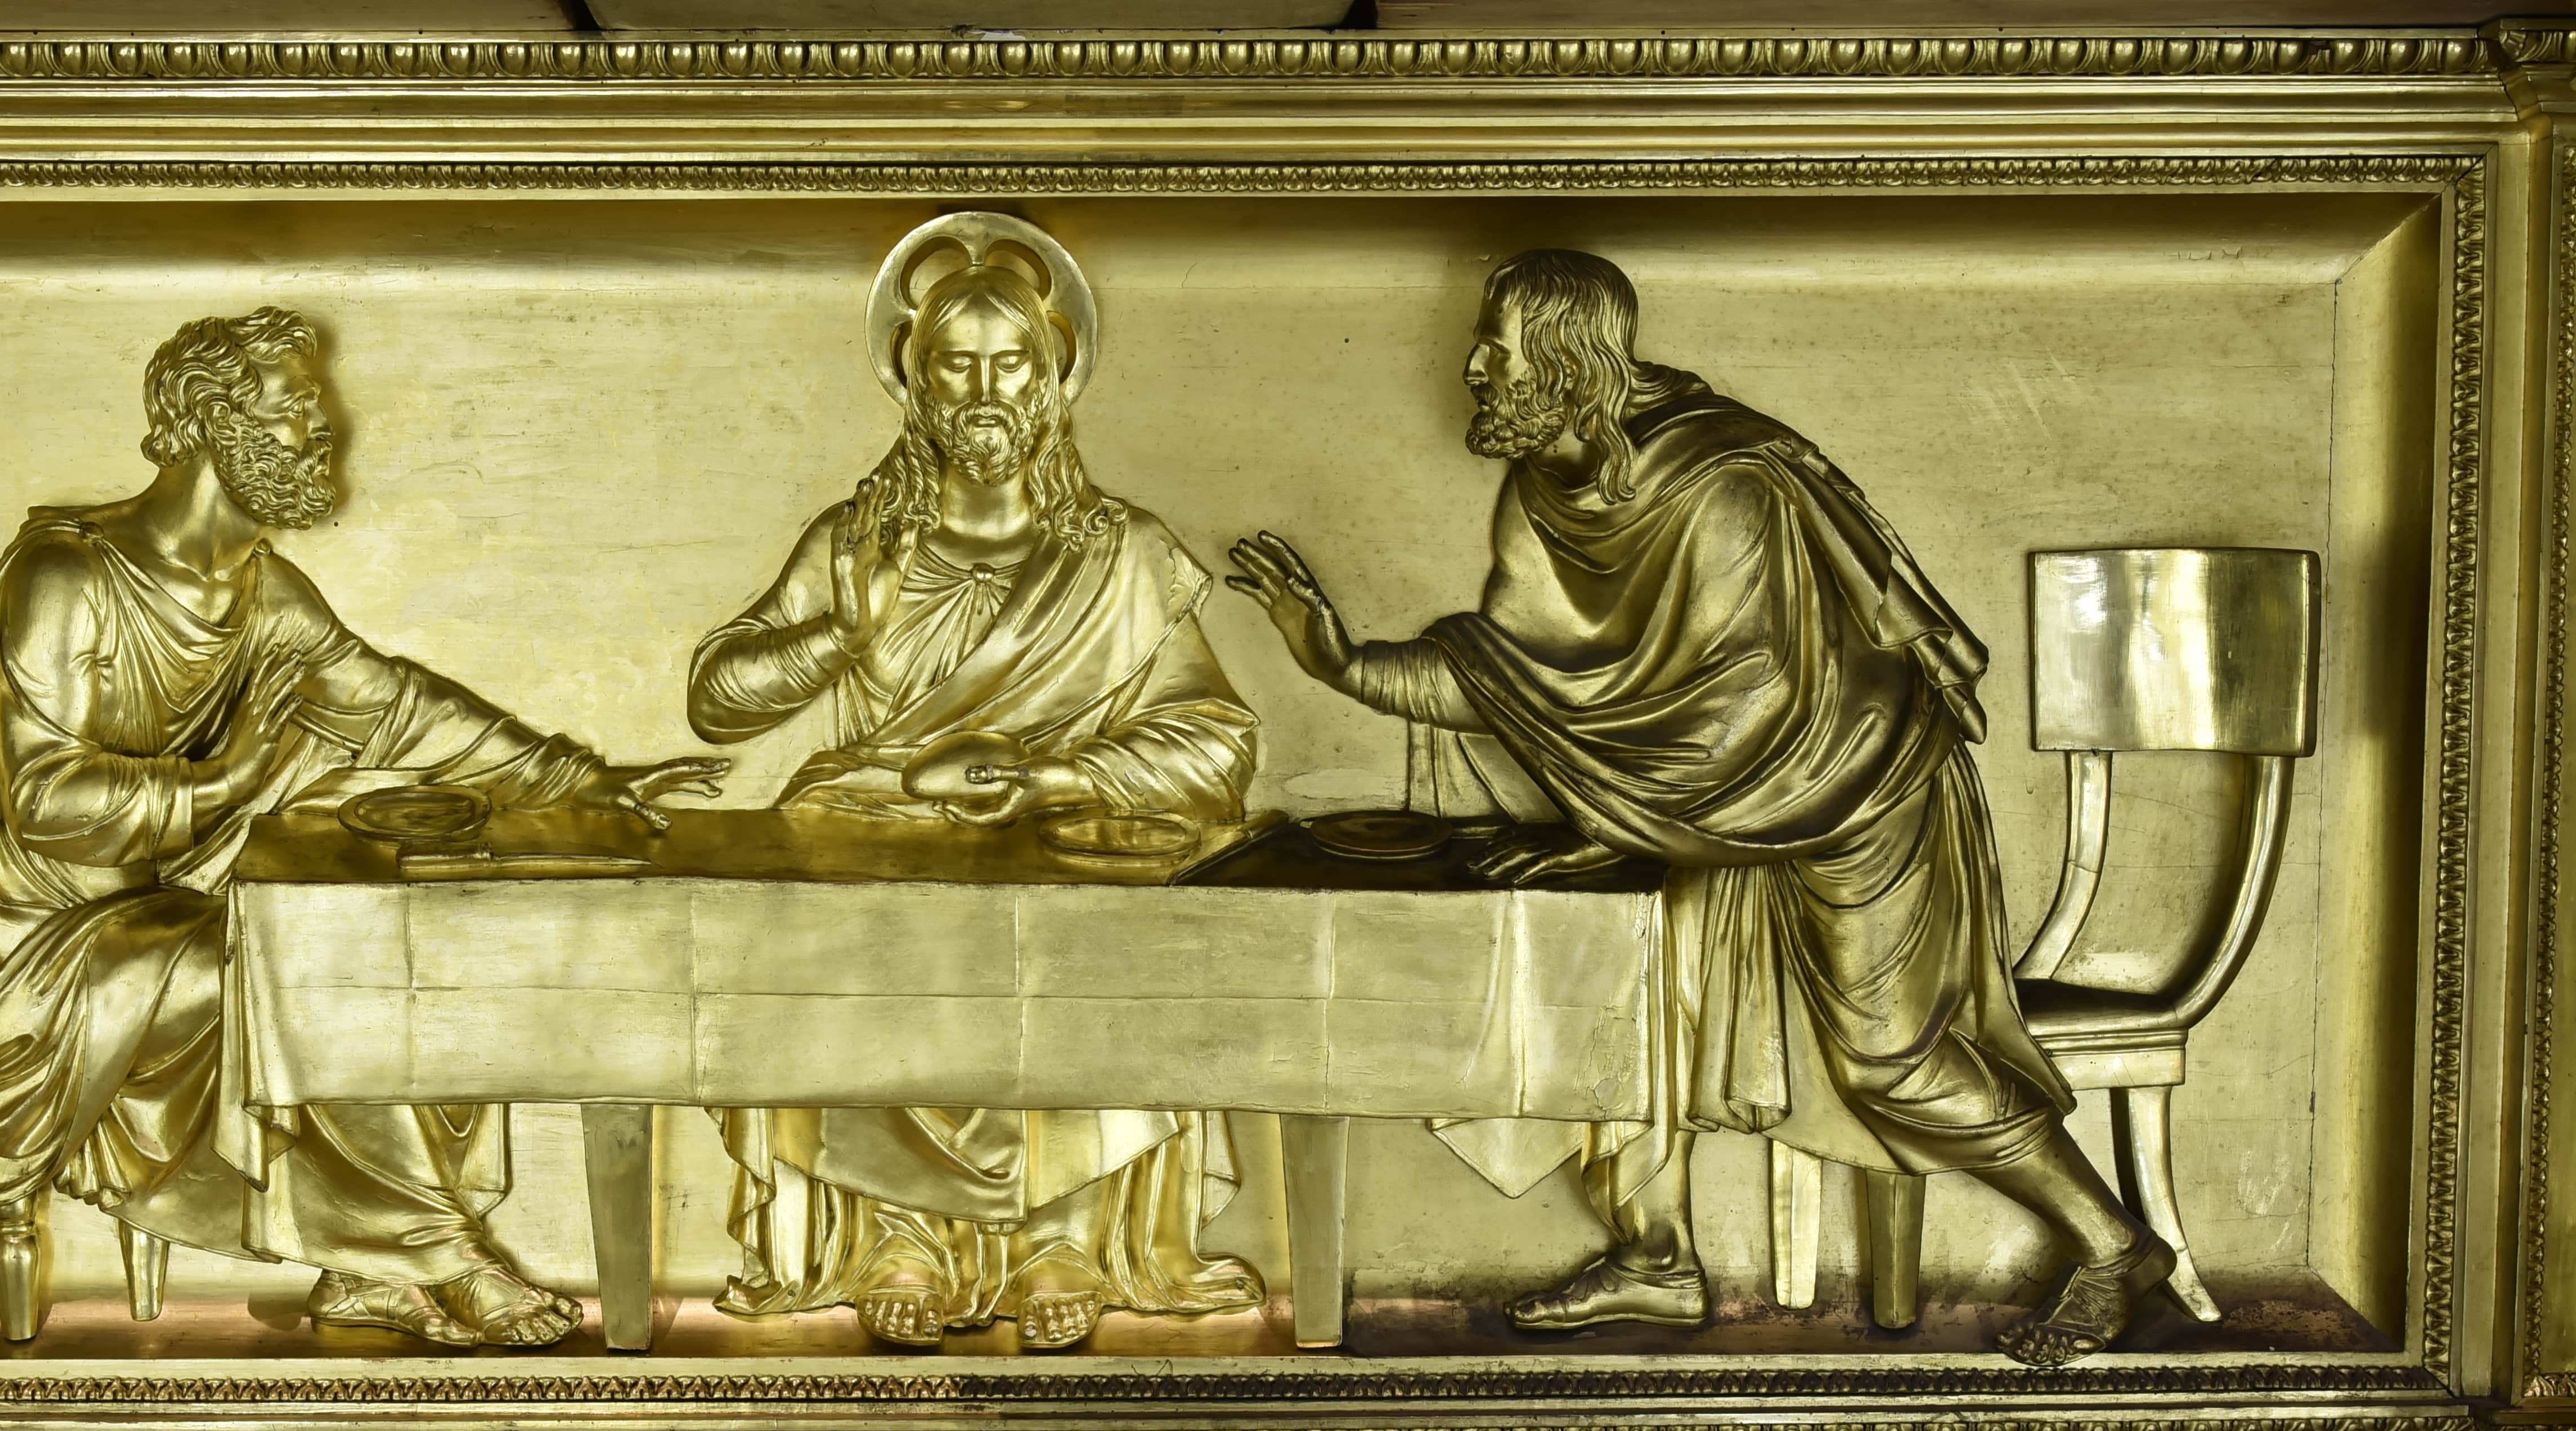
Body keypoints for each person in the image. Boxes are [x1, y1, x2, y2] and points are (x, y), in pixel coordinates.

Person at [1225, 249, 2170, 1368]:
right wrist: (1341, 663)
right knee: (1620, 991)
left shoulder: (1723, 486)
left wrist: (1613, 825)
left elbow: (1749, 711)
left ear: (1565, 360)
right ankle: (1657, 1258)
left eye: (1497, 346)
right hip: (1721, 813)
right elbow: (1521, 685)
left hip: (1853, 790)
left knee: (1891, 1062)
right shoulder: (1543, 491)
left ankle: (2113, 1247)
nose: (1475, 368)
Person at [0, 306, 723, 1348]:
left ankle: (366, 1264)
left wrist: (577, 780)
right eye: (293, 408)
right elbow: (46, 802)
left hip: (147, 892)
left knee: (380, 945)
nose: (323, 431)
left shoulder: (261, 591)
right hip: (9, 920)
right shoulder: (68, 576)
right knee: (289, 970)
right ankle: (439, 1253)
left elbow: (396, 705)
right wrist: (229, 780)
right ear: (206, 420)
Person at [686, 215, 1261, 1352]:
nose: (985, 391)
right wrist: (838, 639)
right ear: (916, 382)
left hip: (1059, 845)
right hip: (874, 837)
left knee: (1088, 943)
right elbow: (717, 699)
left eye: (1011, 364)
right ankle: (897, 1234)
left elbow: (1215, 742)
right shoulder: (857, 543)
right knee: (841, 937)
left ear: (1051, 381)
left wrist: (1052, 774)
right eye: (956, 364)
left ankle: (1061, 1237)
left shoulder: (1125, 554)